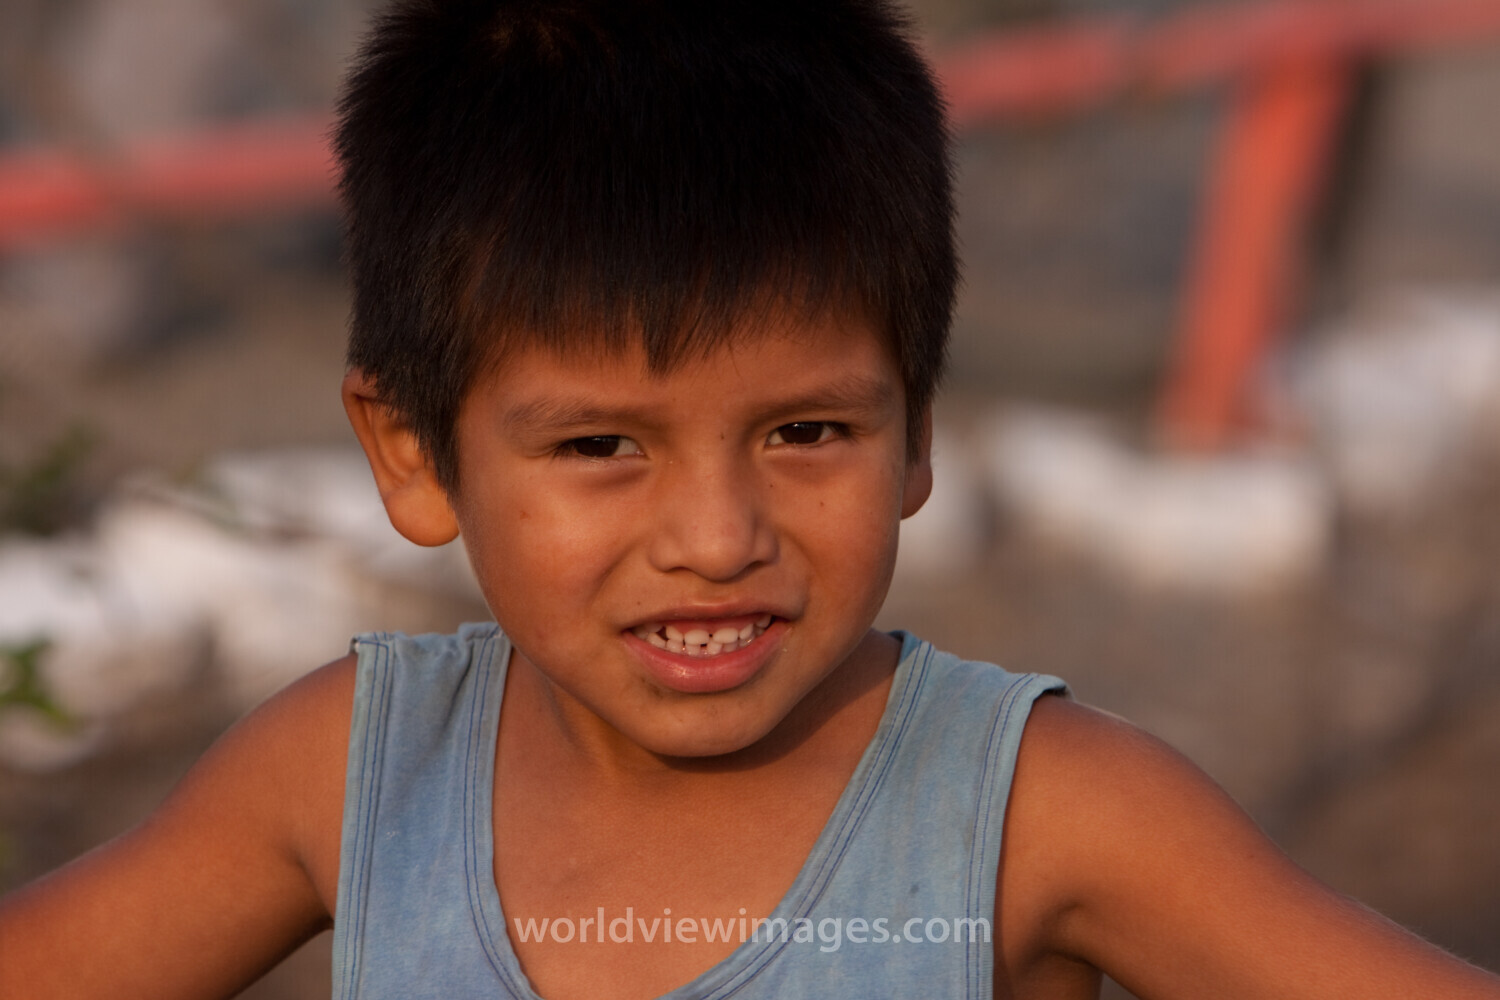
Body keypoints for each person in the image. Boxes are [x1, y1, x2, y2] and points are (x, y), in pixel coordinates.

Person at [2, 1, 1498, 997]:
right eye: (602, 447)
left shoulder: (1040, 814)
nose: (718, 539)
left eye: (806, 431)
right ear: (412, 455)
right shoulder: (356, 774)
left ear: (915, 433)